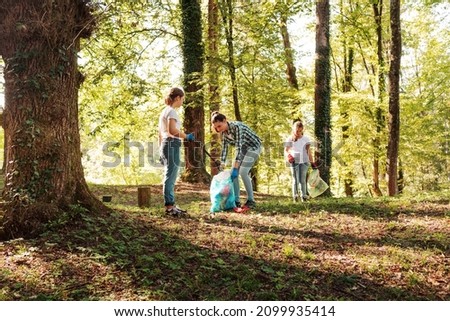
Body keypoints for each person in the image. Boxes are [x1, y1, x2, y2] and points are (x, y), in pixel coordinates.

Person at [211, 111, 262, 211]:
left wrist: (236, 168)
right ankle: (236, 201)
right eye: (216, 128)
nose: (218, 129)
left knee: (243, 172)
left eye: (219, 126)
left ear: (225, 121)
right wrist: (222, 164)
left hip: (254, 147)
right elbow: (225, 149)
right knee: (231, 173)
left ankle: (251, 200)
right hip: (243, 149)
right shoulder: (224, 133)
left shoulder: (237, 127)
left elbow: (238, 147)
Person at [158, 87, 195, 216]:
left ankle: (171, 204)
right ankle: (169, 206)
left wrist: (160, 149)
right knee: (171, 175)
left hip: (165, 144)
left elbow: (160, 134)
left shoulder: (164, 112)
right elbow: (172, 131)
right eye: (182, 99)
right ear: (177, 98)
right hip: (171, 143)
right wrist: (187, 136)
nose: (182, 102)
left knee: (171, 174)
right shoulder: (172, 112)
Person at [284, 120, 316, 202]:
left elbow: (309, 151)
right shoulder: (290, 139)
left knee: (303, 180)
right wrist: (289, 156)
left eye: (300, 131)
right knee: (296, 180)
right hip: (295, 160)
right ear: (293, 129)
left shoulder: (306, 139)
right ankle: (295, 196)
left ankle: (304, 196)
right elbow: (286, 150)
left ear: (302, 130)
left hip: (305, 161)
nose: (298, 133)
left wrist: (312, 162)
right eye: (297, 131)